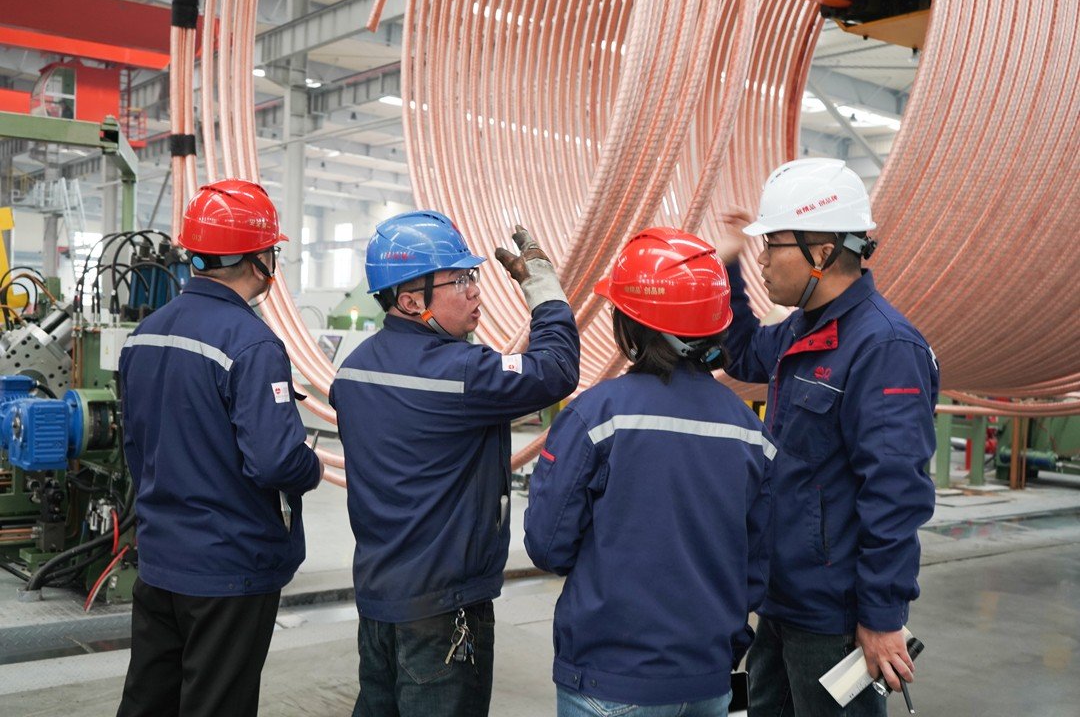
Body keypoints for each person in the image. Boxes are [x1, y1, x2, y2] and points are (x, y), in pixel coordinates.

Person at [329, 211, 580, 717]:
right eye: (459, 280)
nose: (475, 291)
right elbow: (556, 369)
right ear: (410, 301)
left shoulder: (352, 373)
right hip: (445, 608)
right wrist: (543, 287)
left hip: (379, 599)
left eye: (473, 277)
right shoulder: (462, 373)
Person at [524, 227, 774, 717]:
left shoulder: (596, 417)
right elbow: (757, 570)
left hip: (608, 680)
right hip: (708, 683)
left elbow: (548, 546)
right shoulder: (750, 432)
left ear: (632, 325)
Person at [721, 158, 938, 717]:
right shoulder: (803, 331)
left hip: (833, 617)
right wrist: (728, 267)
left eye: (772, 246)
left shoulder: (884, 348)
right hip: (780, 598)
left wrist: (882, 617)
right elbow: (740, 351)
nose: (763, 260)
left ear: (821, 253)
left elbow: (895, 494)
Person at [116, 179, 323, 717]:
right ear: (258, 258)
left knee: (148, 701)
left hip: (160, 560)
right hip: (230, 568)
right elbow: (276, 461)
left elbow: (135, 445)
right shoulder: (251, 343)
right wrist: (311, 466)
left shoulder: (145, 334)